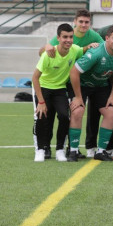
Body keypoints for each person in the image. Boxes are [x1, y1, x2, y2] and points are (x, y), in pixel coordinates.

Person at [67, 25, 113, 162]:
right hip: (81, 85)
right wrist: (77, 97)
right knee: (77, 111)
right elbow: (74, 72)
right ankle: (73, 151)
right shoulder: (96, 53)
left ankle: (101, 151)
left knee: (111, 113)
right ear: (106, 38)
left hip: (101, 86)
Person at [32, 24, 84, 162]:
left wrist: (92, 46)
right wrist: (41, 102)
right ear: (58, 38)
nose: (68, 40)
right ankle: (41, 149)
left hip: (60, 89)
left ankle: (60, 149)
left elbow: (84, 50)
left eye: (71, 37)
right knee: (42, 116)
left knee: (63, 116)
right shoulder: (48, 54)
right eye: (65, 37)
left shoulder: (75, 50)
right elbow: (35, 78)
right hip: (43, 87)